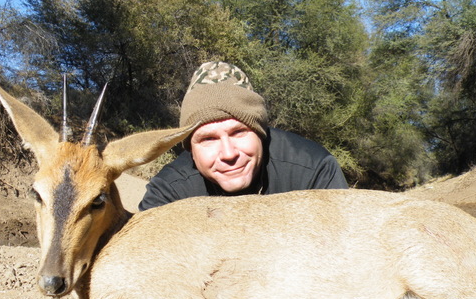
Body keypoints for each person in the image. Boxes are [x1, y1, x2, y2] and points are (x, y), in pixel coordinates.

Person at [138, 61, 348, 211]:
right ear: (190, 148)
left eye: (239, 132)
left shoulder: (314, 170)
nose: (228, 154)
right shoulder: (168, 193)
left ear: (260, 132)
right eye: (208, 139)